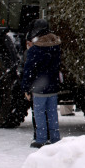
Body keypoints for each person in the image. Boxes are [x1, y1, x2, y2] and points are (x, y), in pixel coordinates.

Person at [22, 19, 62, 148]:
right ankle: (55, 138)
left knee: (39, 114)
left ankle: (41, 138)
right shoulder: (56, 46)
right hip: (53, 86)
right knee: (52, 113)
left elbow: (29, 70)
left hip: (39, 87)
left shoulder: (35, 50)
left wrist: (26, 88)